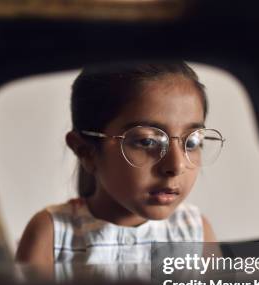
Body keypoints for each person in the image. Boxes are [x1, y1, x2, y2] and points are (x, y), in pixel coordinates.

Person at [15, 61, 224, 273]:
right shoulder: (52, 234)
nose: (177, 165)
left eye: (191, 142)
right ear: (86, 151)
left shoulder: (195, 232)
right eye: (147, 141)